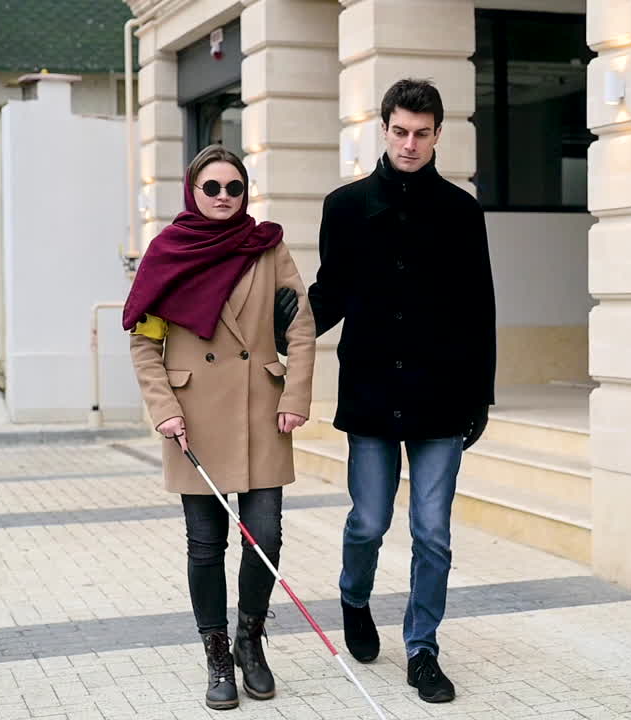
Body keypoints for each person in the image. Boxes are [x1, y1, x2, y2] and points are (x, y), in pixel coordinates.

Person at [305, 77, 496, 704]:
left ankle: (422, 648)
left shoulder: (462, 212)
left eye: (422, 133)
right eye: (400, 131)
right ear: (382, 128)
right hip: (370, 390)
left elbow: (479, 310)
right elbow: (328, 295)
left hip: (441, 396)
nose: (410, 143)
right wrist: (276, 328)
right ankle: (354, 598)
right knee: (367, 521)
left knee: (432, 530)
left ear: (438, 134)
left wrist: (479, 398)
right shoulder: (346, 206)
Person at [124, 145, 315, 711]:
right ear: (193, 190)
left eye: (234, 188)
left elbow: (300, 326)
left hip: (262, 408)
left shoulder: (268, 246)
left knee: (267, 536)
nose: (224, 198)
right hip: (193, 417)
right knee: (205, 545)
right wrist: (163, 409)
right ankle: (216, 656)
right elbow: (145, 343)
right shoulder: (167, 253)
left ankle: (250, 641)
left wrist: (297, 395)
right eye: (213, 188)